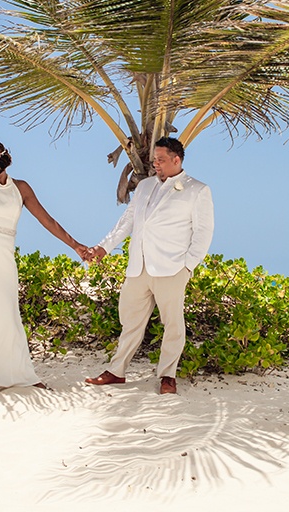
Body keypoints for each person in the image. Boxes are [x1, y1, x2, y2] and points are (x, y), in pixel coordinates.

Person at [0, 141, 90, 394]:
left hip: (3, 254)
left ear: (2, 161)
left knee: (7, 311)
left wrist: (75, 245)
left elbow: (48, 220)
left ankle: (21, 373)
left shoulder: (21, 188)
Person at [84, 137, 214, 395]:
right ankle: (116, 371)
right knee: (130, 321)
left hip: (172, 268)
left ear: (177, 160)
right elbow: (127, 221)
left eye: (161, 160)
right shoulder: (143, 186)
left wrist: (187, 266)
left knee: (173, 324)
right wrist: (103, 247)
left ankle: (168, 375)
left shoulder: (197, 190)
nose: (156, 164)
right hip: (138, 267)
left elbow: (203, 232)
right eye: (155, 159)